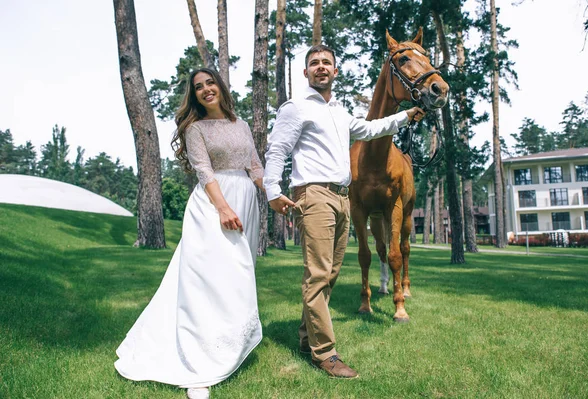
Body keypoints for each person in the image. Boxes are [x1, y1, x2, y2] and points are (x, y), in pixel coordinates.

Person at [263, 44, 425, 379]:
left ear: (335, 71)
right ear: (306, 72)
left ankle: (307, 340)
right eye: (314, 63)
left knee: (330, 274)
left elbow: (368, 130)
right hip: (315, 195)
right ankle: (326, 353)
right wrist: (272, 191)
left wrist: (404, 116)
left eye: (327, 63)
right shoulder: (295, 108)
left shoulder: (338, 110)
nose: (321, 67)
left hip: (341, 197)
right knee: (319, 274)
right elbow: (277, 149)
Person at [114, 68, 264, 399]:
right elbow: (203, 170)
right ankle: (198, 363)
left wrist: (275, 196)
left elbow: (255, 167)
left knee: (236, 276)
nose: (206, 89)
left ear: (221, 87)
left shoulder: (240, 125)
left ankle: (229, 339)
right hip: (213, 205)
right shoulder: (195, 129)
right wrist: (223, 208)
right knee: (206, 278)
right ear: (194, 95)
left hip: (246, 201)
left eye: (210, 83)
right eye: (198, 87)